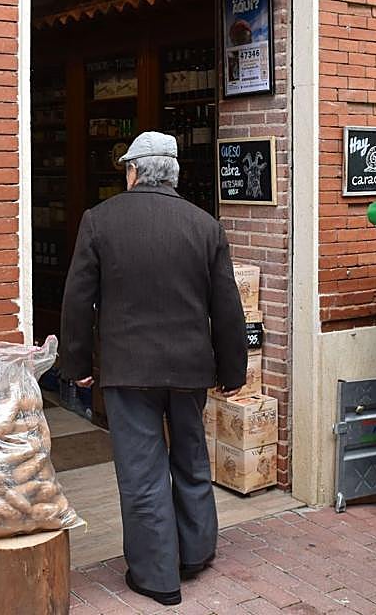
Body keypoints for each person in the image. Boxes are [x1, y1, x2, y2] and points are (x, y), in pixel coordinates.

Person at [59, 131, 248, 607]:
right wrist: (233, 369)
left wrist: (76, 365)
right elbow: (227, 307)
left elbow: (78, 300)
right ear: (175, 174)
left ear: (134, 171)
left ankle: (156, 576)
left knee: (141, 472)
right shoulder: (205, 226)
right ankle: (196, 552)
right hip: (190, 368)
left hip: (128, 371)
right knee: (191, 460)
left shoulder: (100, 221)